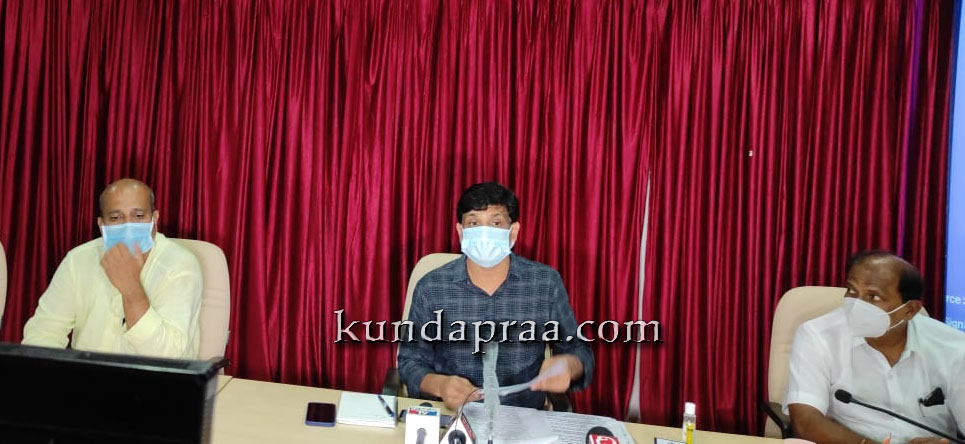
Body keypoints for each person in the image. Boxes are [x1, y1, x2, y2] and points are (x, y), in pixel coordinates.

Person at [397, 181, 595, 410]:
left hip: (524, 416)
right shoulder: (431, 286)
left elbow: (578, 351)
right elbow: (410, 361)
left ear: (513, 232)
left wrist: (569, 365)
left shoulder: (545, 283)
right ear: (460, 232)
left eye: (496, 223)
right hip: (454, 416)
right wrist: (440, 385)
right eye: (474, 223)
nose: (484, 233)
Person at [785, 250, 965, 444]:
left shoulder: (954, 347)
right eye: (852, 291)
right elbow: (806, 421)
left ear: (909, 310)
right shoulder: (818, 334)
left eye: (873, 297)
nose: (857, 305)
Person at [22, 179, 203, 359]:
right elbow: (44, 330)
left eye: (138, 216)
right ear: (101, 225)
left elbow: (167, 356)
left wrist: (131, 289)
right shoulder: (78, 259)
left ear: (154, 219)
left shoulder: (180, 265)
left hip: (154, 376)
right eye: (116, 218)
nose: (128, 226)